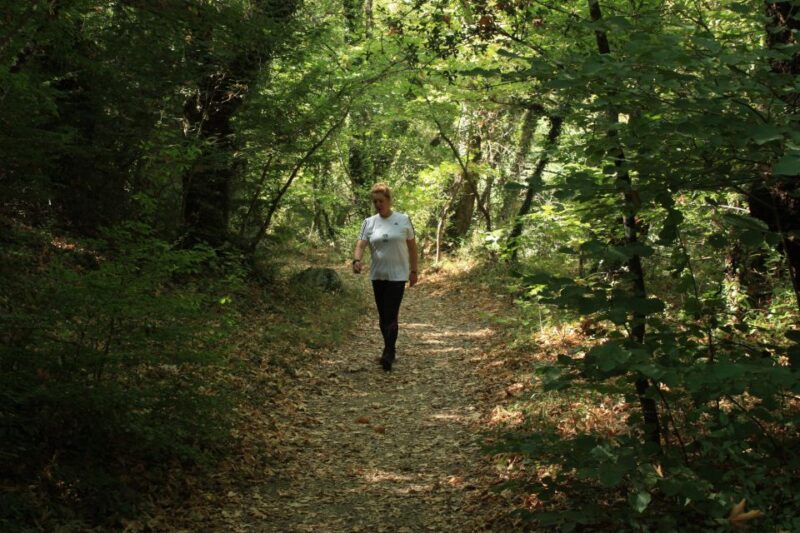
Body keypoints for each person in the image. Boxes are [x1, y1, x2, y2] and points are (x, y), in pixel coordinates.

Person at [352, 183, 418, 371]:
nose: (378, 205)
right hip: (378, 275)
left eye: (381, 201)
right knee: (383, 316)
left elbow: (412, 248)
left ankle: (389, 352)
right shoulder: (369, 222)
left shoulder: (403, 220)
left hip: (398, 275)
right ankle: (390, 348)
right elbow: (360, 244)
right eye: (375, 202)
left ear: (389, 200)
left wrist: (414, 271)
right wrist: (356, 260)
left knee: (391, 313)